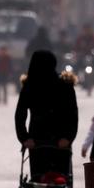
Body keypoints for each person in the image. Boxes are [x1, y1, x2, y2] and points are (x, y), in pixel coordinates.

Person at [15, 50, 78, 180]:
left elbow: (72, 114)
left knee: (58, 181)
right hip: (40, 143)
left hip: (55, 142)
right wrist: (25, 138)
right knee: (41, 180)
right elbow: (20, 114)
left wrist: (67, 138)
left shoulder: (64, 86)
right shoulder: (30, 86)